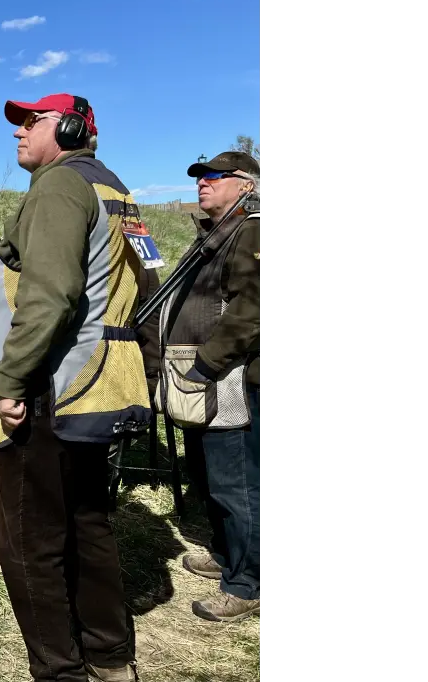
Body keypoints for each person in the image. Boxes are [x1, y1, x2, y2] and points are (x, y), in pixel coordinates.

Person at [0, 93, 153, 682]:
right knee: (87, 520)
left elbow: (52, 295)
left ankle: (60, 670)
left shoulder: (59, 186)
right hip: (102, 381)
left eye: (32, 121)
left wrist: (11, 382)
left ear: (71, 128)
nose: (19, 132)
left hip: (53, 383)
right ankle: (110, 656)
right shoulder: (114, 190)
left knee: (26, 537)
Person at [158, 151, 264, 623]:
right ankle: (225, 555)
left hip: (231, 380)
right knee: (209, 477)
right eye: (201, 176)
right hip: (203, 383)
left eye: (216, 176)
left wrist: (206, 364)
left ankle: (248, 584)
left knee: (237, 483)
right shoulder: (216, 233)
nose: (203, 182)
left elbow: (253, 309)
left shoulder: (255, 230)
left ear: (246, 185)